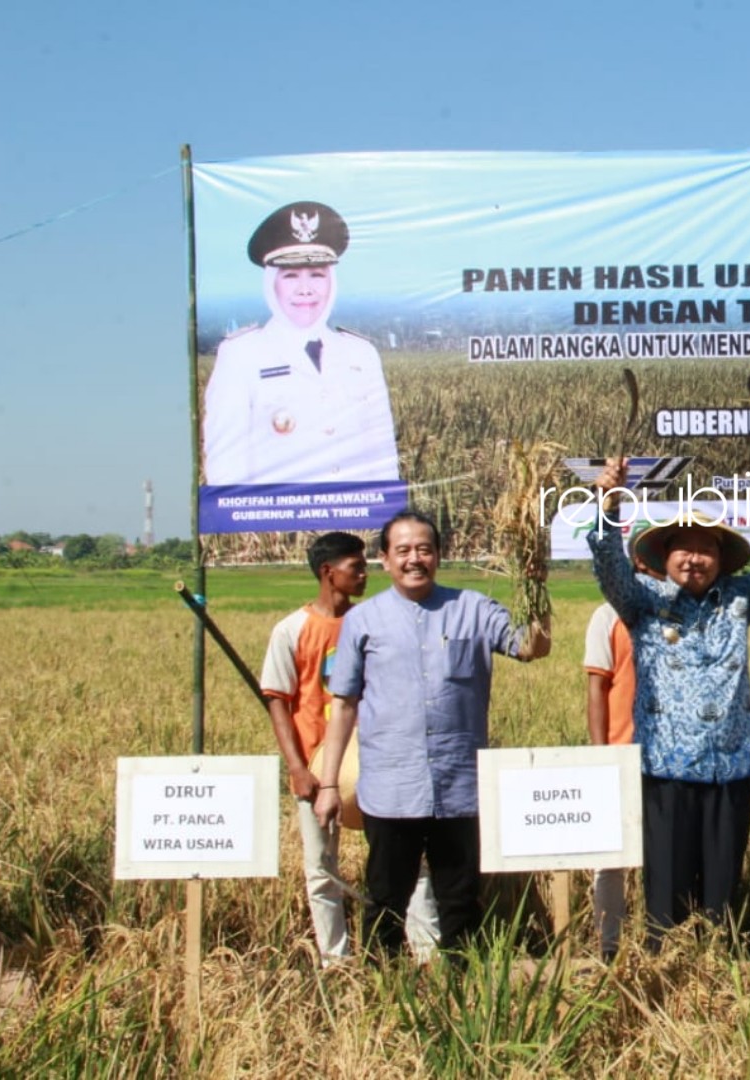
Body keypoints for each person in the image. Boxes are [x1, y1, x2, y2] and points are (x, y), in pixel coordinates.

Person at [314, 510, 552, 960]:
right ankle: (384, 997)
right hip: (391, 788)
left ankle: (461, 996)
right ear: (385, 559)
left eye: (424, 549)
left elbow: (531, 646)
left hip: (458, 787)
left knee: (460, 902)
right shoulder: (363, 622)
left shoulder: (474, 609)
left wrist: (534, 588)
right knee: (385, 901)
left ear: (439, 555)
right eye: (402, 550)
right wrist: (328, 784)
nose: (414, 559)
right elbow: (343, 705)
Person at [587, 461, 750, 945]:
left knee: (723, 888)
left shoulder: (738, 598)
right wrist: (608, 506)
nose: (694, 558)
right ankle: (665, 972)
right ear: (664, 555)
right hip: (664, 768)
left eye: (705, 548)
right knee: (666, 889)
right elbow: (607, 562)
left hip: (729, 768)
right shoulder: (641, 599)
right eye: (683, 547)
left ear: (721, 558)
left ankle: (719, 972)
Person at [260, 531, 439, 964]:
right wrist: (299, 768)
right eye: (355, 567)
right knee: (321, 867)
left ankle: (423, 950)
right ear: (328, 572)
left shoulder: (373, 623)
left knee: (411, 860)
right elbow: (278, 703)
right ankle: (336, 959)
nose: (364, 574)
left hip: (379, 762)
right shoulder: (292, 630)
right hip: (318, 767)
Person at [203, 201, 400, 485]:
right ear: (272, 284)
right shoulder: (241, 355)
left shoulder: (361, 354)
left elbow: (382, 456)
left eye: (317, 275)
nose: (305, 289)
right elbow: (226, 463)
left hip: (357, 521)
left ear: (331, 282)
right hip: (277, 524)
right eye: (291, 276)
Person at [580, 555, 656, 962]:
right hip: (621, 754)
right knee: (610, 857)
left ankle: (660, 938)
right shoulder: (608, 615)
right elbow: (598, 687)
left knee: (663, 853)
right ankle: (609, 945)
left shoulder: (681, 609)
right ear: (638, 560)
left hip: (670, 761)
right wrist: (600, 755)